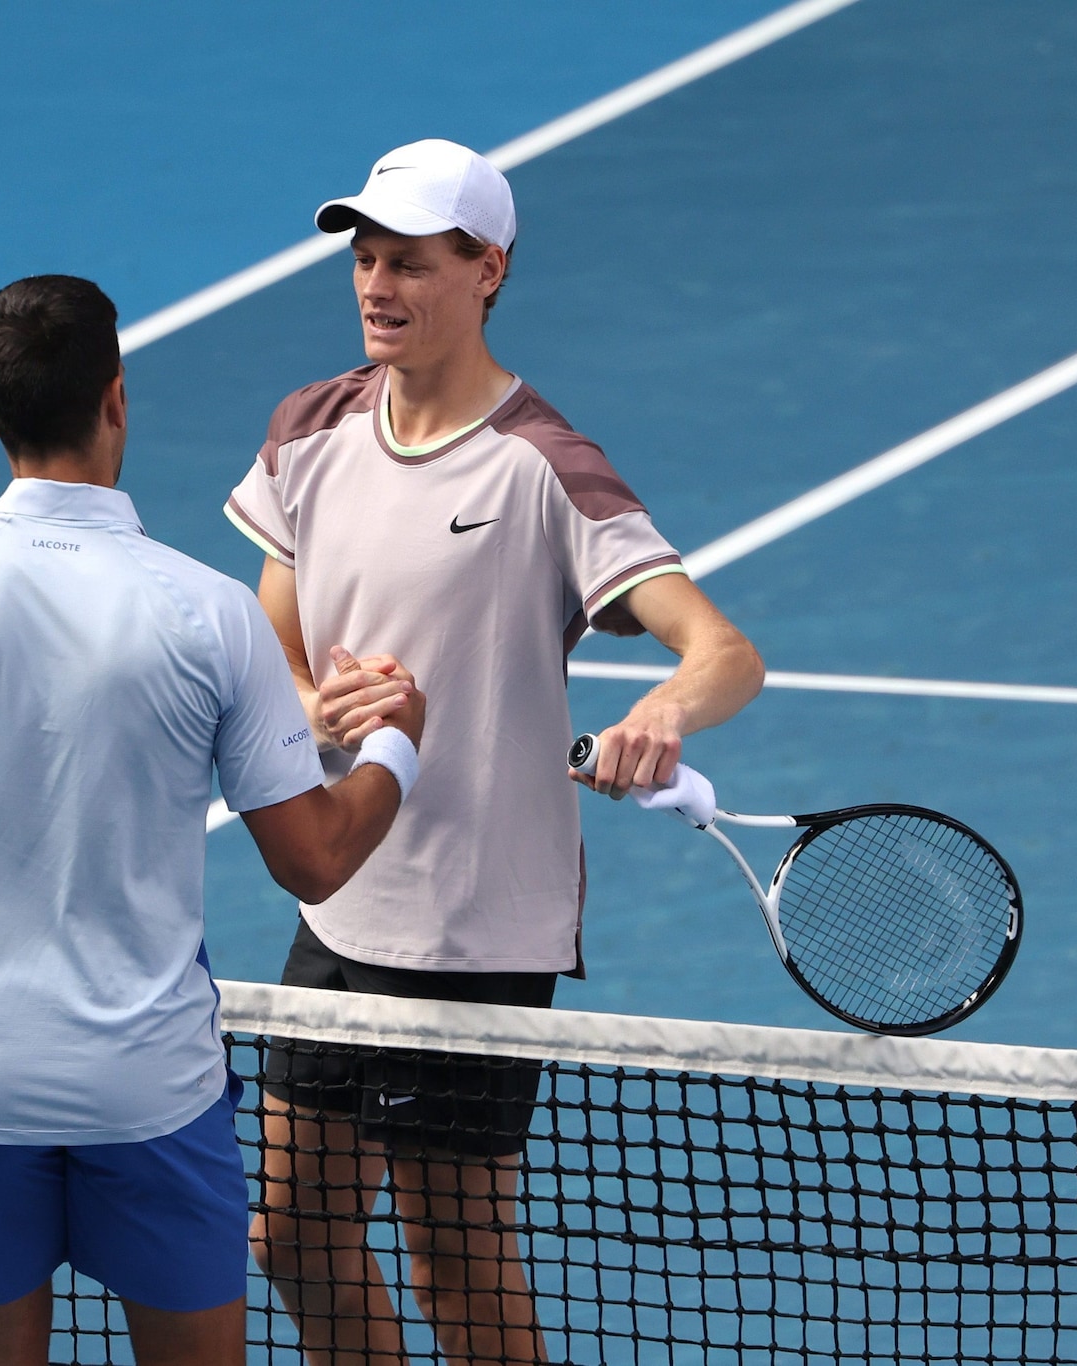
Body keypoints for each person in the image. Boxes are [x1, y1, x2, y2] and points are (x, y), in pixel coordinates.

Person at [0, 275, 427, 1366]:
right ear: (117, 400)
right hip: (149, 1089)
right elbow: (318, 860)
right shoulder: (211, 612)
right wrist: (394, 743)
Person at [225, 141, 765, 1364]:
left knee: (450, 1262)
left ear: (487, 272)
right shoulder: (307, 428)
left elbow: (722, 649)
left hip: (473, 930)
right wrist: (311, 703)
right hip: (346, 891)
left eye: (410, 261)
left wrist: (661, 712)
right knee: (292, 1235)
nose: (375, 283)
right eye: (364, 258)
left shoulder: (541, 465)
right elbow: (275, 629)